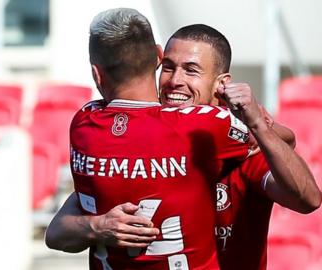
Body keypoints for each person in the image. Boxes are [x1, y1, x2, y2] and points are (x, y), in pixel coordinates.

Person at [45, 13, 321, 270]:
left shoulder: (245, 146)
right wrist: (98, 225)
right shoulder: (138, 143)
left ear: (221, 84)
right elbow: (58, 231)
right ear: (156, 61)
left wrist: (260, 125)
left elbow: (308, 199)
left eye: (191, 70)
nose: (175, 81)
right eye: (168, 67)